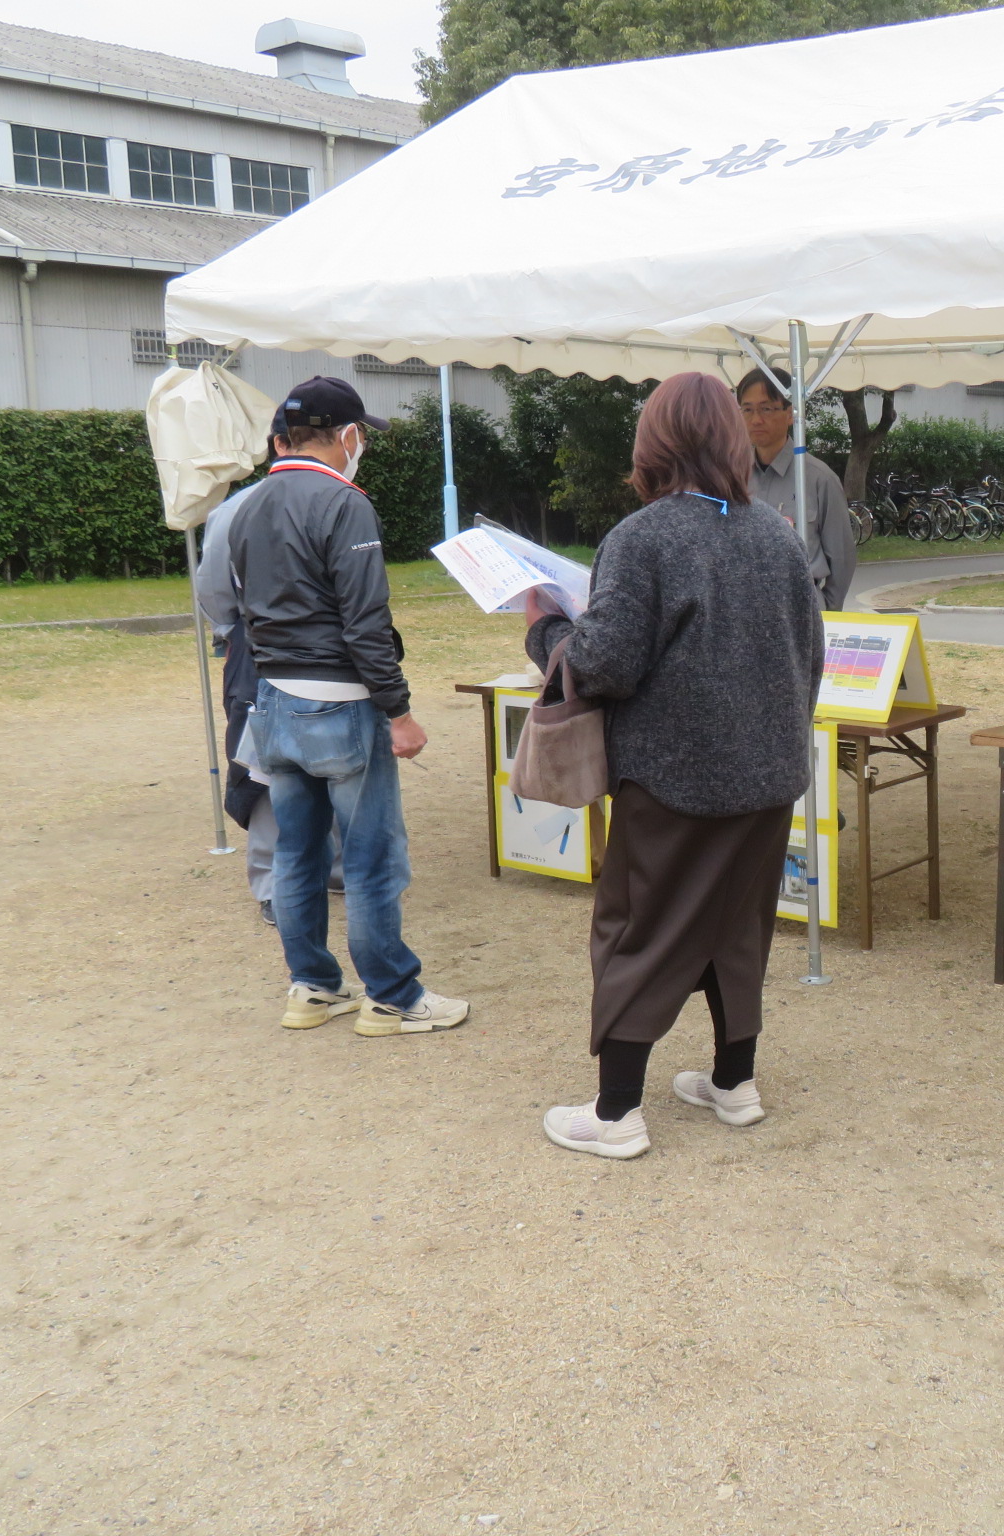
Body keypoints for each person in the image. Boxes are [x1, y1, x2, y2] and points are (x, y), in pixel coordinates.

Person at [524, 372, 823, 1159]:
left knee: (638, 930)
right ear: (729, 435)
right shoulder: (777, 535)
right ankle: (735, 1081)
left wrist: (547, 631)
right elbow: (810, 657)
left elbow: (607, 661)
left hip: (675, 780)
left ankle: (617, 1111)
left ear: (652, 443)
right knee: (738, 928)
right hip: (768, 773)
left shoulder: (646, 535)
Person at [229, 376, 469, 1038]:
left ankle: (312, 986)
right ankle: (393, 995)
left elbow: (239, 607)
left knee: (297, 854)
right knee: (370, 858)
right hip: (340, 705)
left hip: (273, 700)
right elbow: (365, 621)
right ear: (348, 436)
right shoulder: (346, 504)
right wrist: (399, 711)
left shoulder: (247, 505)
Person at [197, 478, 343, 927]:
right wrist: (238, 629)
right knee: (260, 760)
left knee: (335, 749)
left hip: (329, 645)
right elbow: (214, 589)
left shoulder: (340, 497)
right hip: (259, 644)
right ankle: (272, 883)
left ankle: (334, 866)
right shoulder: (240, 508)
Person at [736, 366, 857, 610]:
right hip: (743, 611)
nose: (756, 419)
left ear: (790, 414)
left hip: (801, 608)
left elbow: (842, 558)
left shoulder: (818, 479)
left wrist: (827, 613)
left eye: (766, 408)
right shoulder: (731, 477)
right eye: (747, 410)